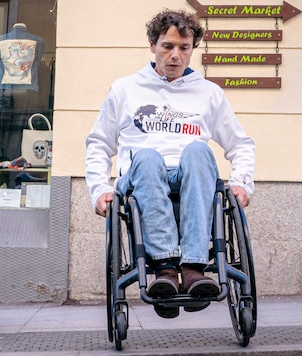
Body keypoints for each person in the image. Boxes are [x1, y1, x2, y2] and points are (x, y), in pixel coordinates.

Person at [85, 10, 255, 319]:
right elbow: (98, 143)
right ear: (152, 45)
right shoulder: (125, 89)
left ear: (193, 48)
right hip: (142, 176)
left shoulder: (209, 93)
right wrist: (98, 189)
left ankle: (192, 268)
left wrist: (242, 181)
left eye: (184, 48)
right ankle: (165, 268)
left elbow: (241, 144)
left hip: (192, 173)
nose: (175, 55)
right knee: (149, 156)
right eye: (167, 46)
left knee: (199, 152)